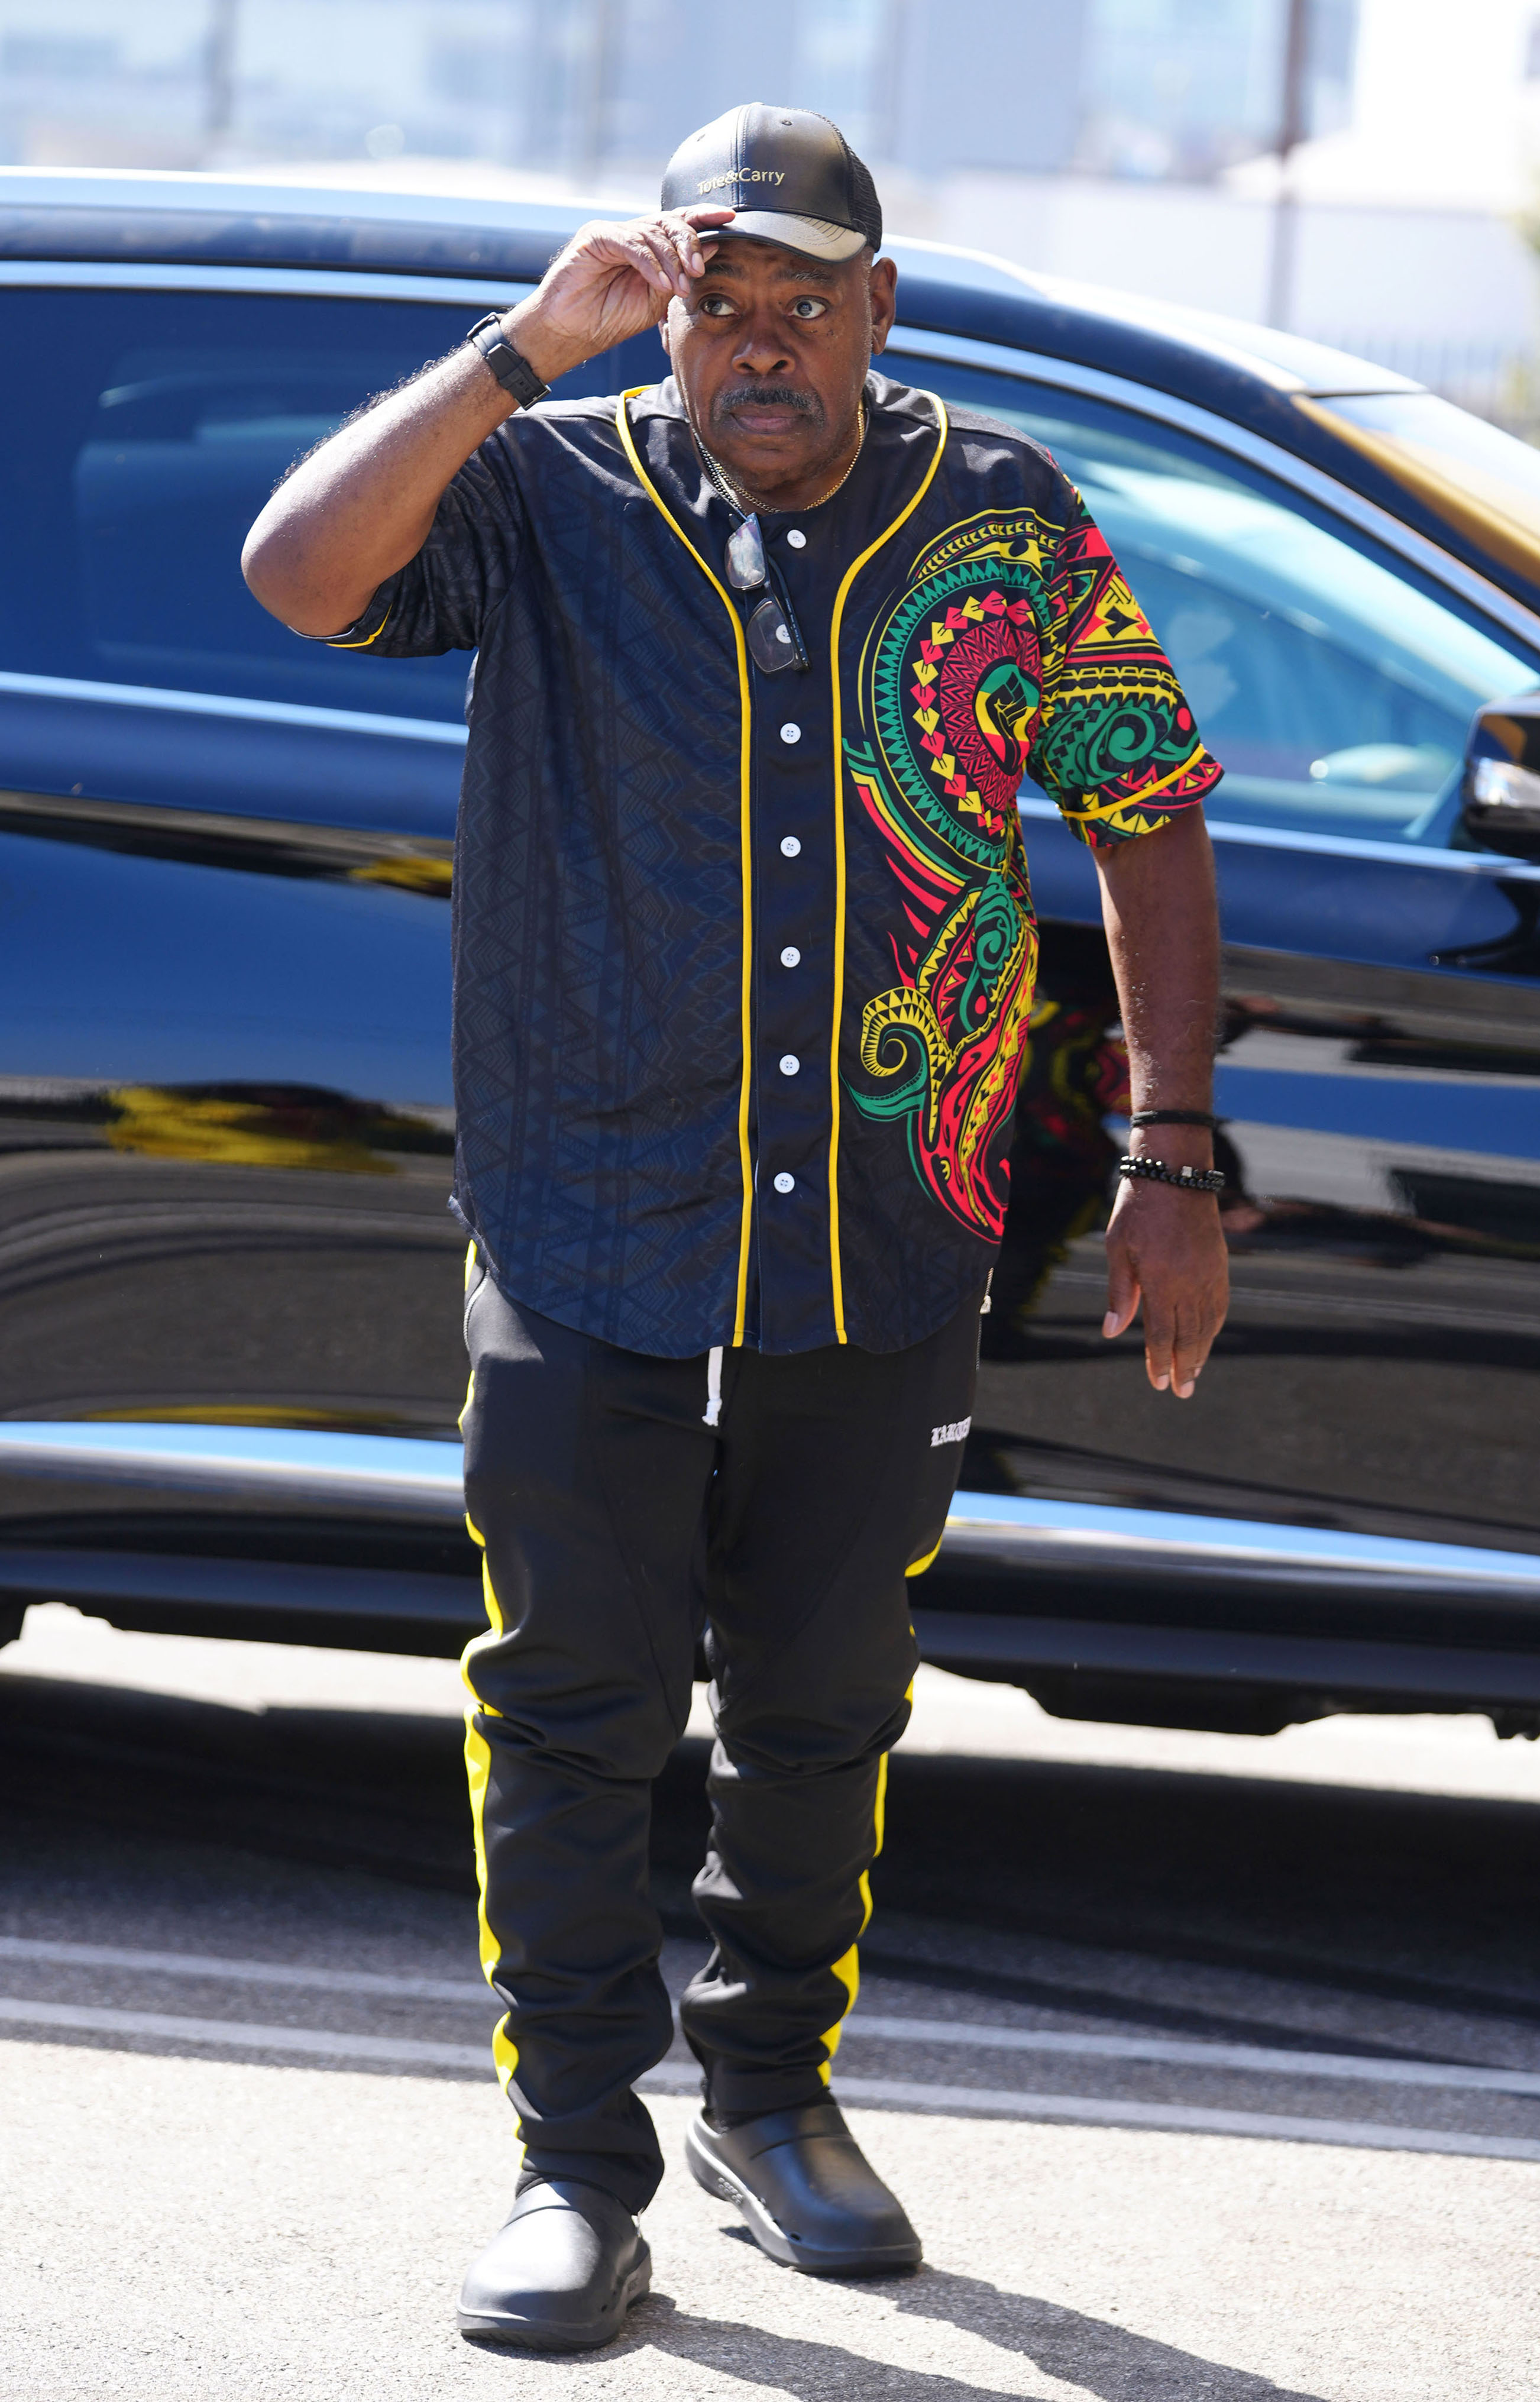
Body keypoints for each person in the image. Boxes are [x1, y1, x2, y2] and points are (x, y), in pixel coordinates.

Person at [243, 100, 1230, 2354]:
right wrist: (520, 348)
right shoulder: (545, 489)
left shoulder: (1003, 520)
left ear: (881, 308)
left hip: (895, 1217)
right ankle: (572, 2165)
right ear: (662, 313)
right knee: (571, 1699)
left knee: (825, 1695)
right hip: (590, 1207)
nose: (758, 348)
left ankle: (771, 2104)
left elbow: (1147, 813)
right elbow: (297, 577)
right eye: (717, 307)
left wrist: (1169, 1157)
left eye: (804, 304)